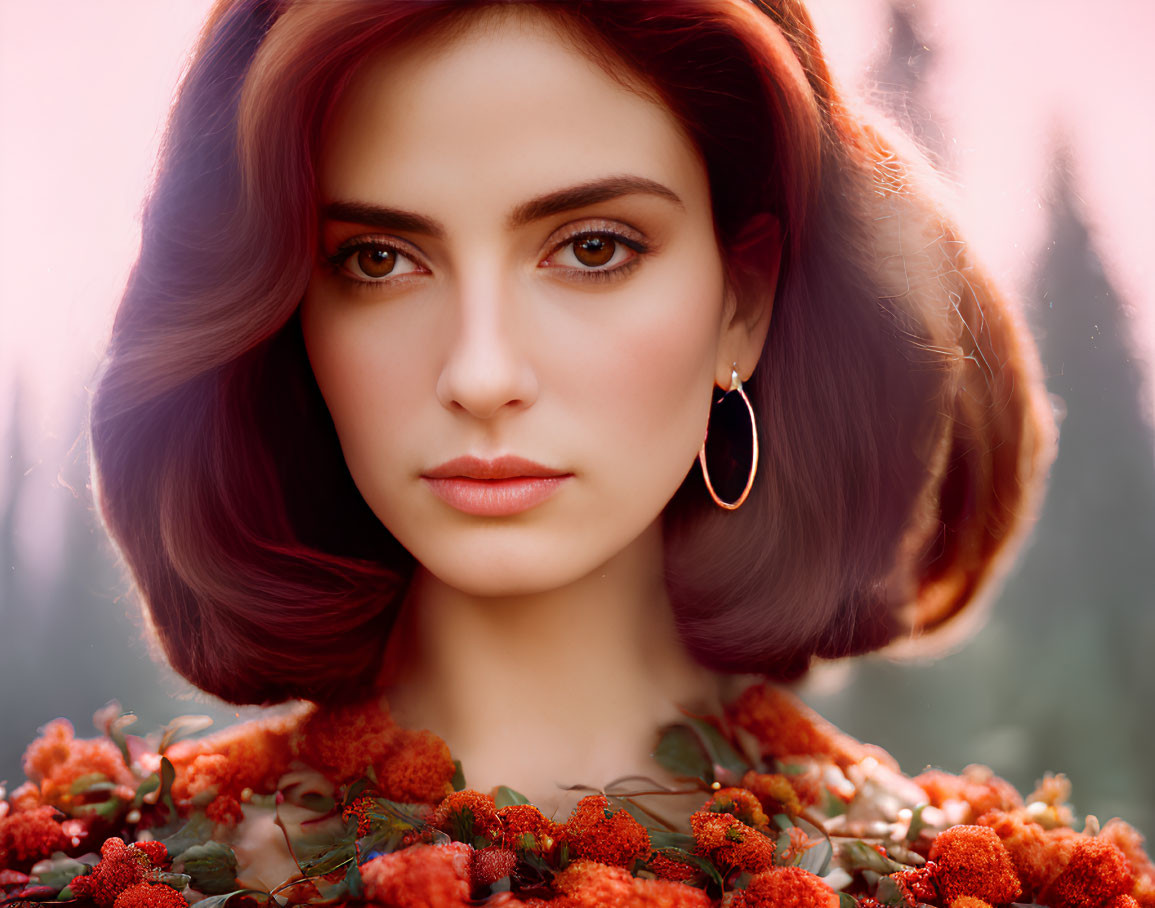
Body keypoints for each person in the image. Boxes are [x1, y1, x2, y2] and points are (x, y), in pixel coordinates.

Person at [4, 1, 1151, 906]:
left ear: (743, 301)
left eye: (593, 247)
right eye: (377, 259)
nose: (482, 368)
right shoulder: (87, 867)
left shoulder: (980, 881)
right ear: (284, 309)